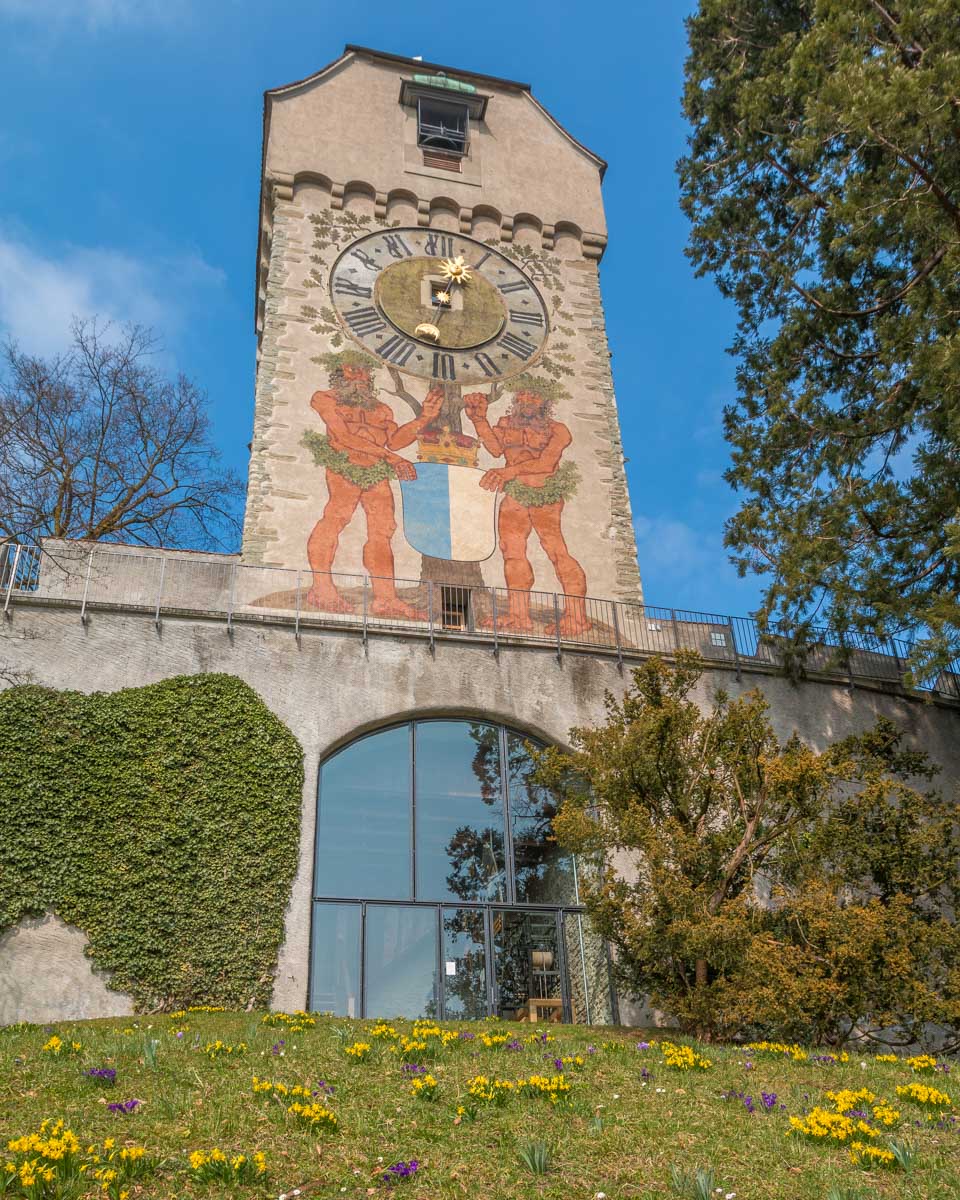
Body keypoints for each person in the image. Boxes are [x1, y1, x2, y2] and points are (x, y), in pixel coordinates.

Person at [302, 352, 442, 616]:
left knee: (383, 530)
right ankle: (321, 588)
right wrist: (391, 458)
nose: (359, 376)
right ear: (338, 374)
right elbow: (343, 436)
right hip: (344, 467)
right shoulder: (325, 398)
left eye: (364, 371)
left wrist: (423, 419)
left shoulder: (380, 408)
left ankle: (386, 598)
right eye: (352, 370)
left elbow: (396, 440)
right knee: (336, 518)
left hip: (375, 472)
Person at [463, 377, 590, 635]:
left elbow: (545, 464)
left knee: (556, 551)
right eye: (523, 395)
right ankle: (518, 616)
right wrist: (479, 419)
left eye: (534, 396)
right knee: (512, 552)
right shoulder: (506, 424)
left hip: (545, 495)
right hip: (516, 495)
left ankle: (577, 617)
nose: (527, 401)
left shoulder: (558, 430)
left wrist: (508, 473)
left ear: (545, 401)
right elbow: (496, 449)